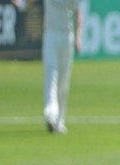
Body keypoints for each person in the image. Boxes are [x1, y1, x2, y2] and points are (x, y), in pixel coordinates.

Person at [43, 0, 81, 134]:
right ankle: (50, 114)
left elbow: (77, 11)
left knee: (63, 81)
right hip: (51, 34)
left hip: (66, 36)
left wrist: (78, 37)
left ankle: (60, 121)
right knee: (51, 74)